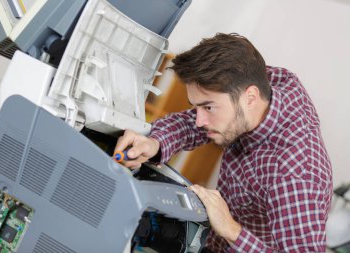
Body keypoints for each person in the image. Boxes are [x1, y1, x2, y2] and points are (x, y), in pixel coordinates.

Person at [114, 33, 333, 252]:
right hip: (212, 240)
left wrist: (231, 230)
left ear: (250, 98)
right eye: (196, 106)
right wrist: (155, 144)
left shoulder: (294, 177)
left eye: (208, 107)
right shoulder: (265, 83)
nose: (198, 120)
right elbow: (194, 121)